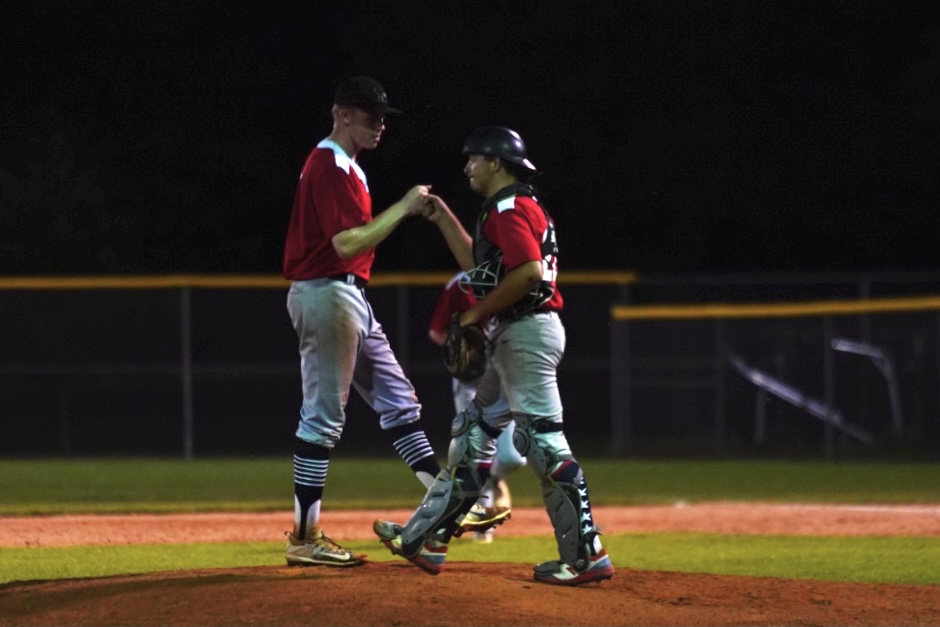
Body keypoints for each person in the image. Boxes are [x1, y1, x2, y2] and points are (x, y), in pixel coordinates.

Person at [374, 126, 614, 586]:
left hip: (525, 333)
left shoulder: (509, 207)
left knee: (543, 444)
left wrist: (473, 315)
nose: (467, 166)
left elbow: (528, 272)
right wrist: (444, 219)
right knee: (473, 433)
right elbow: (485, 270)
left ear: (497, 163)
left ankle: (587, 554)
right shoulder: (511, 206)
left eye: (474, 158)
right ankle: (427, 538)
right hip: (517, 333)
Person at [281, 76, 442, 567]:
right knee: (322, 418)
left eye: (383, 119)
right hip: (326, 292)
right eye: (371, 117)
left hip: (348, 295)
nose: (380, 126)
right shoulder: (329, 162)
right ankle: (304, 538)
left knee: (399, 400)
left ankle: (445, 504)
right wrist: (405, 208)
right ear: (342, 115)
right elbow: (347, 244)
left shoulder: (349, 167)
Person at [427, 271, 527, 543]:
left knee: (512, 457)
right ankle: (483, 527)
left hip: (504, 375)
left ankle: (495, 478)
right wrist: (461, 349)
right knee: (475, 450)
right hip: (471, 381)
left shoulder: (510, 276)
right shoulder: (460, 284)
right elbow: (437, 331)